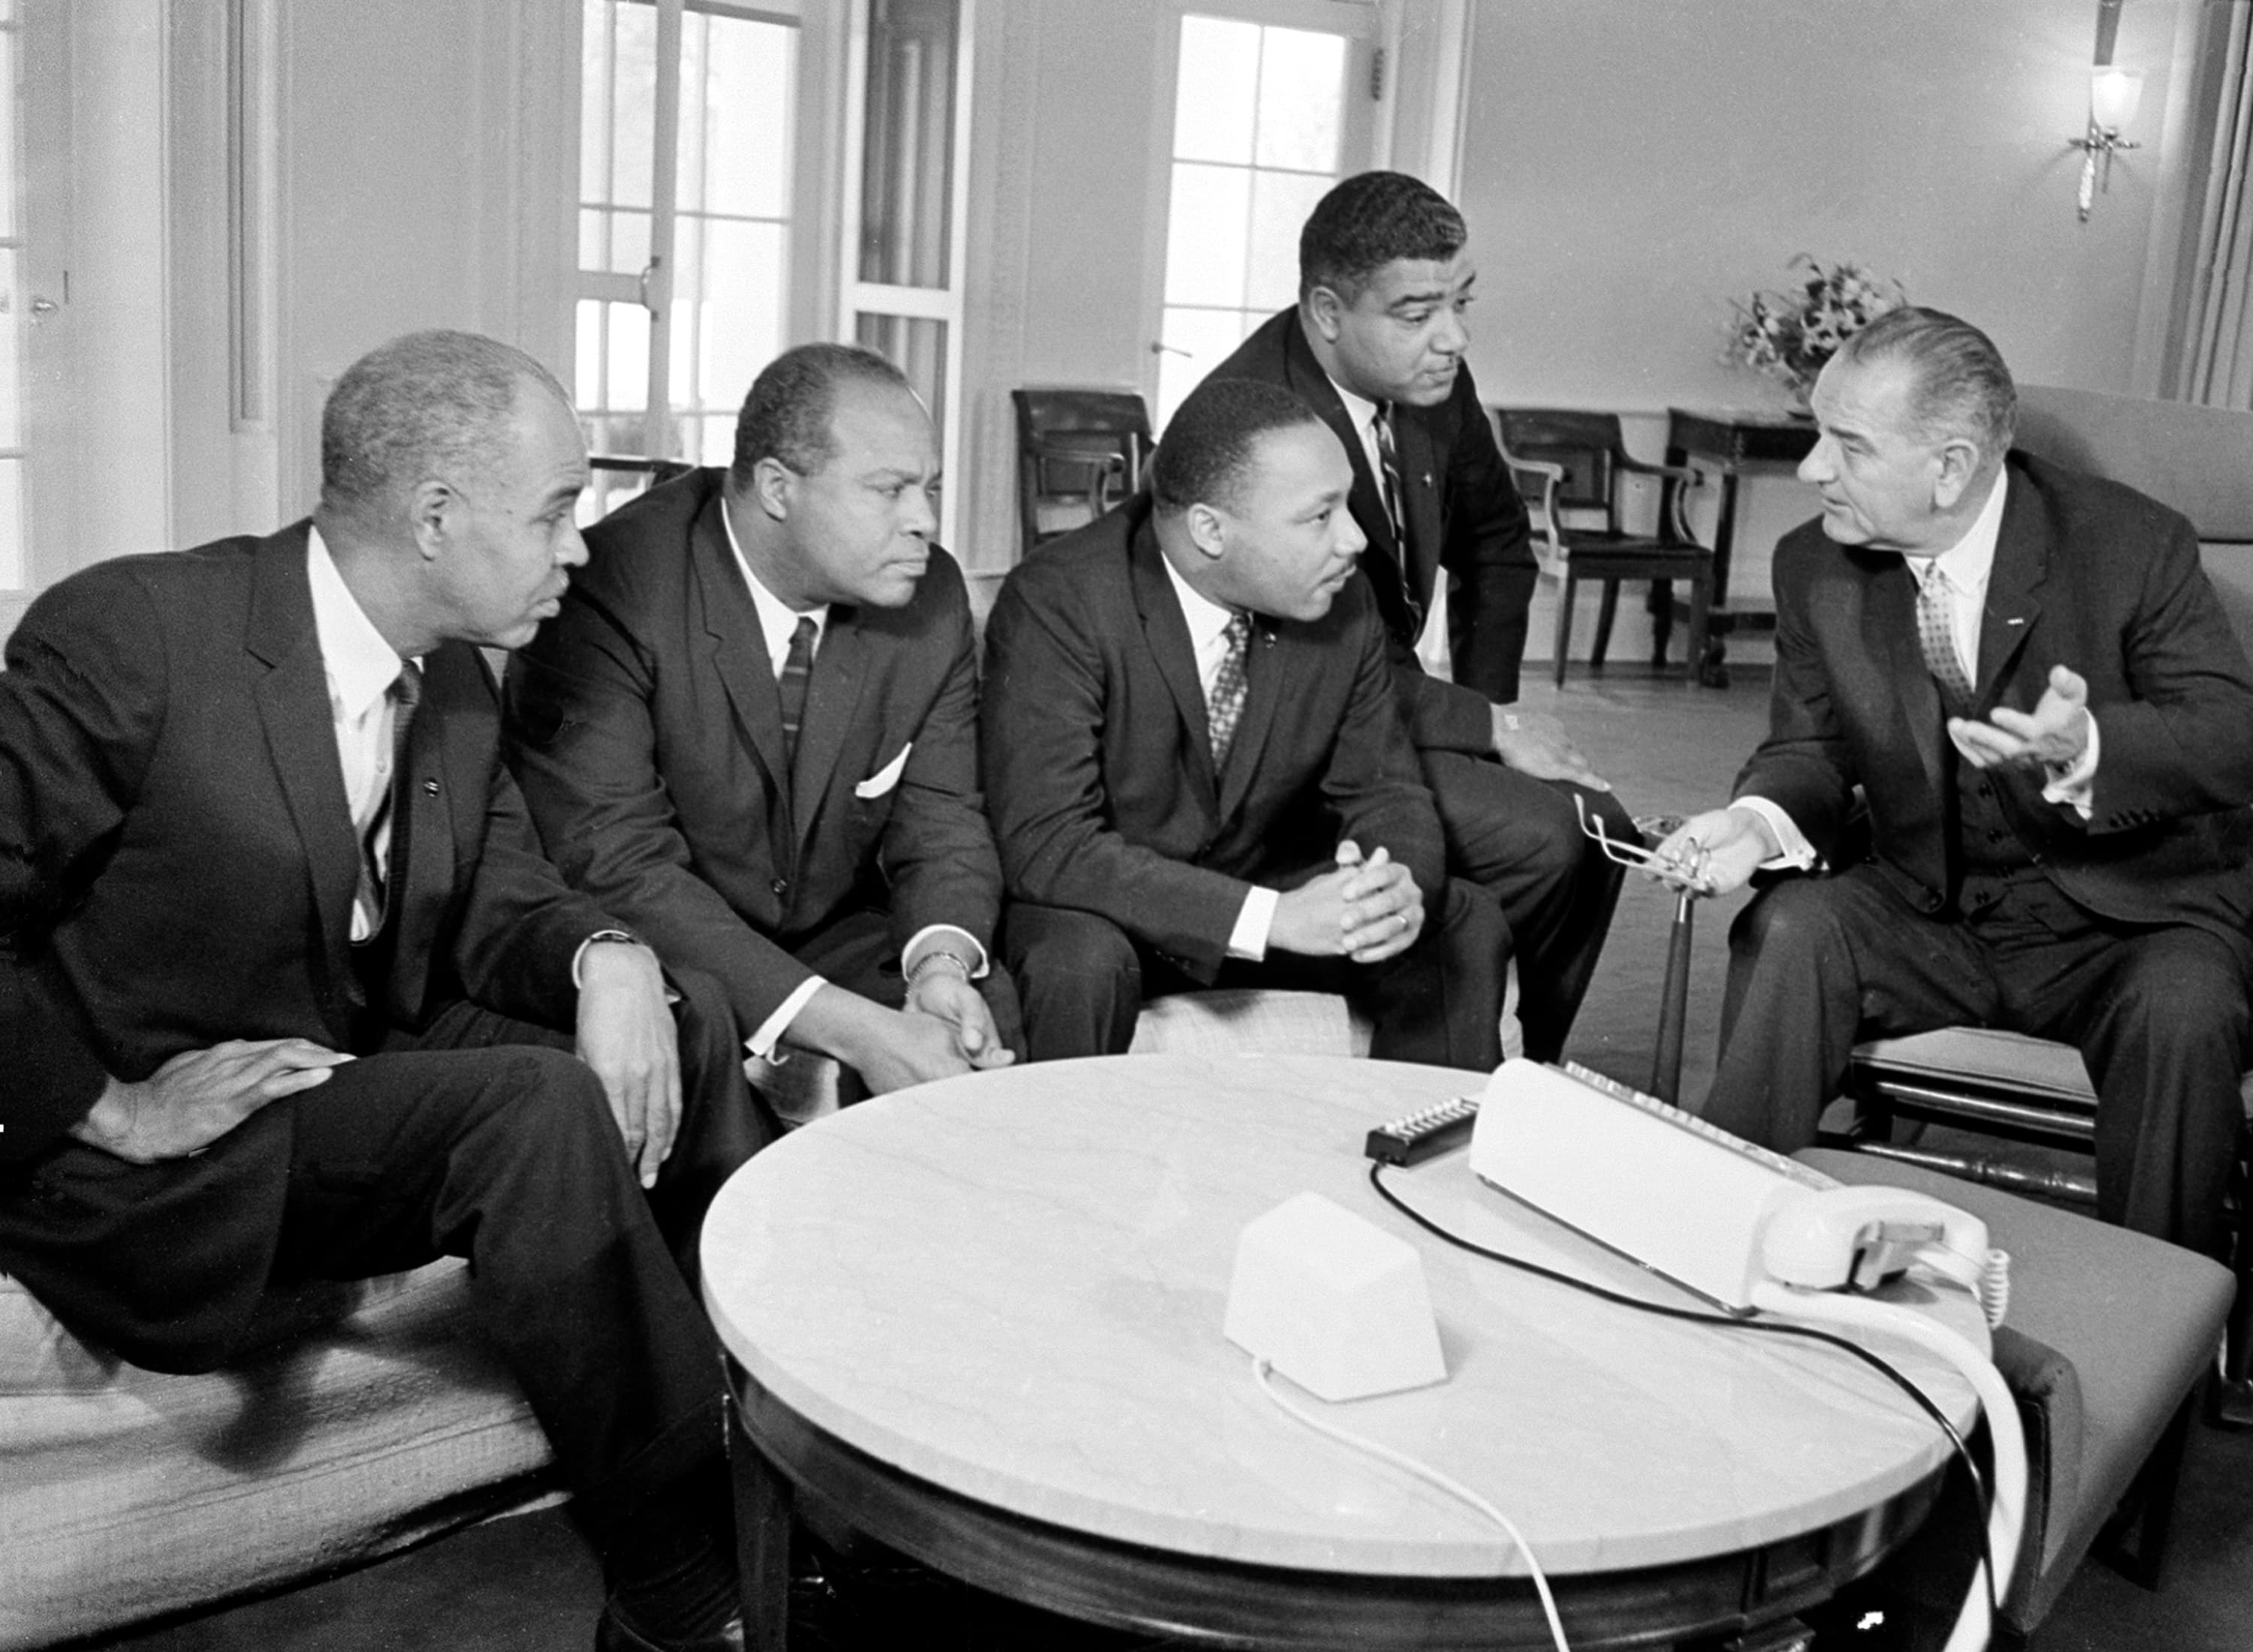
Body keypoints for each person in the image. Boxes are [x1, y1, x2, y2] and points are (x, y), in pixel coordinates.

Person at [0, 330, 756, 1652]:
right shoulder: (134, 635)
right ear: (436, 516)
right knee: (528, 1108)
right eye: (556, 511)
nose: (579, 549)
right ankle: (677, 1583)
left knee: (689, 1015)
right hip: (185, 1129)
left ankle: (755, 1455)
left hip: (341, 1039)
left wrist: (611, 957)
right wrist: (110, 1110)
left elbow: (502, 892)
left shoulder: (456, 674)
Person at [1656, 306, 2253, 1256]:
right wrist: (1757, 821)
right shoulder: (1815, 563)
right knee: (1790, 927)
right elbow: (1811, 748)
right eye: (1818, 434)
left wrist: (2092, 747)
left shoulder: (2130, 544)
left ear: (1951, 467)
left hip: (2129, 922)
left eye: (1848, 445)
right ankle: (1722, 1248)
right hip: (1930, 913)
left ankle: (2165, 1305)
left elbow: (2229, 734)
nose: (1811, 469)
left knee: (2187, 1010)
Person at [506, 343, 1017, 1101]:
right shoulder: (616, 587)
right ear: (778, 488)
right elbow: (621, 865)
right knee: (708, 1023)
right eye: (890, 490)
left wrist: (939, 965)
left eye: (930, 488)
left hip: (827, 926)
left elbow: (942, 819)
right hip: (663, 937)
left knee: (978, 1014)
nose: (926, 521)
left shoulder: (930, 595)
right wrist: (855, 1028)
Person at [1206, 169, 1627, 1060]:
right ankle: (1442, 1044)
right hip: (1296, 745)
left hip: (1395, 705)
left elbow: (1498, 547)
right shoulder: (1254, 421)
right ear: (1327, 312)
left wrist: (1491, 715)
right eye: (1417, 313)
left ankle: (1519, 1061)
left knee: (1599, 827)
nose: (1453, 338)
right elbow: (1310, 663)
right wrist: (1490, 729)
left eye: (1461, 303)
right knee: (1556, 835)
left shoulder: (1434, 385)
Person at [983, 375, 1510, 1069]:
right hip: (1112, 909)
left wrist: (1393, 886)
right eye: (1320, 516)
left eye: (1348, 504)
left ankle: (1422, 1134)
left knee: (1462, 921)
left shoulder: (1343, 598)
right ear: (1210, 530)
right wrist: (1269, 918)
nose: (1354, 540)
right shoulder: (1060, 600)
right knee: (1075, 961)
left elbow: (1384, 789)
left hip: (1260, 887)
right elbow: (1049, 842)